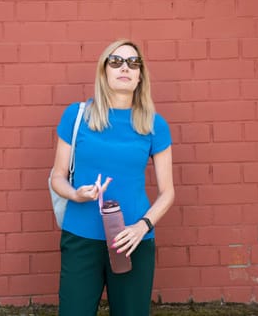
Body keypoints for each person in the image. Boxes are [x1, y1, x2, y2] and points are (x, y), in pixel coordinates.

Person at [50, 39, 175, 316]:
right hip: (81, 237)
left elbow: (168, 192)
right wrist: (75, 194)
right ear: (104, 71)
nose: (125, 68)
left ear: (140, 75)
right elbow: (58, 176)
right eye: (116, 61)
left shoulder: (154, 124)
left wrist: (143, 226)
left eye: (133, 63)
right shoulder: (77, 115)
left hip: (132, 240)